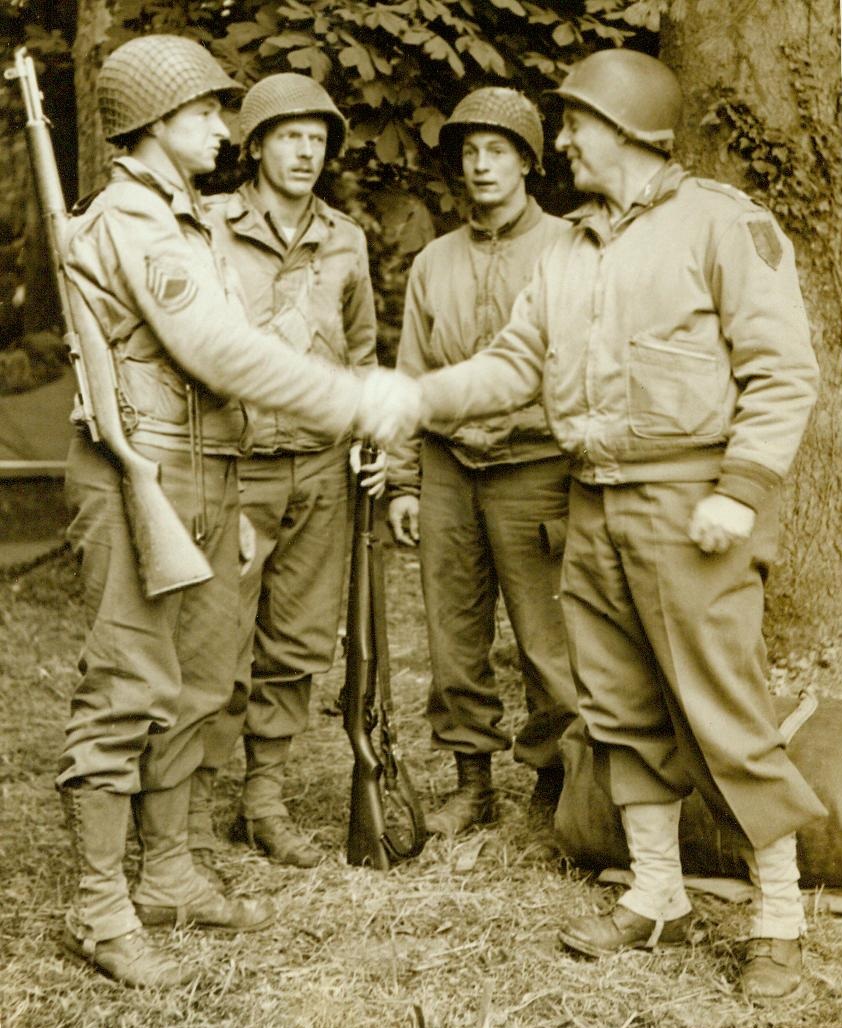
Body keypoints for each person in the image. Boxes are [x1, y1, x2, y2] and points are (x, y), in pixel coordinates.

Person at [404, 49, 826, 1004]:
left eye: (575, 126)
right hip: (589, 503)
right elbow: (514, 364)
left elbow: (783, 372)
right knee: (619, 709)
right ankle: (658, 894)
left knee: (729, 716)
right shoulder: (569, 246)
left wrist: (739, 489)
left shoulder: (722, 224)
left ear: (629, 130)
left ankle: (779, 919)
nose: (561, 143)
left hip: (693, 509)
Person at [56, 34, 416, 989]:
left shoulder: (185, 218)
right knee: (125, 685)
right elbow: (217, 348)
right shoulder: (134, 219)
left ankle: (168, 872)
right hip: (147, 474)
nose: (227, 126)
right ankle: (99, 909)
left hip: (212, 473)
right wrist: (350, 402)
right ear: (157, 124)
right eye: (210, 112)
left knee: (194, 680)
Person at [188, 73, 385, 872]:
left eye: (319, 138)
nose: (307, 151)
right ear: (256, 144)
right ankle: (192, 808)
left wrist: (374, 441)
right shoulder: (206, 226)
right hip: (235, 468)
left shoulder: (345, 239)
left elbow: (364, 352)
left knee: (298, 643)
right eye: (290, 135)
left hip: (321, 469)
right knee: (215, 643)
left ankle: (262, 799)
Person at [387, 87, 577, 839]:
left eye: (498, 150)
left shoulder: (569, 248)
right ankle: (473, 782)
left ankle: (556, 782)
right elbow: (410, 375)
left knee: (548, 637)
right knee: (454, 635)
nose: (481, 165)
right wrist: (403, 479)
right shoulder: (435, 261)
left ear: (529, 162)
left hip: (537, 468)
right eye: (469, 152)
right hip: (446, 471)